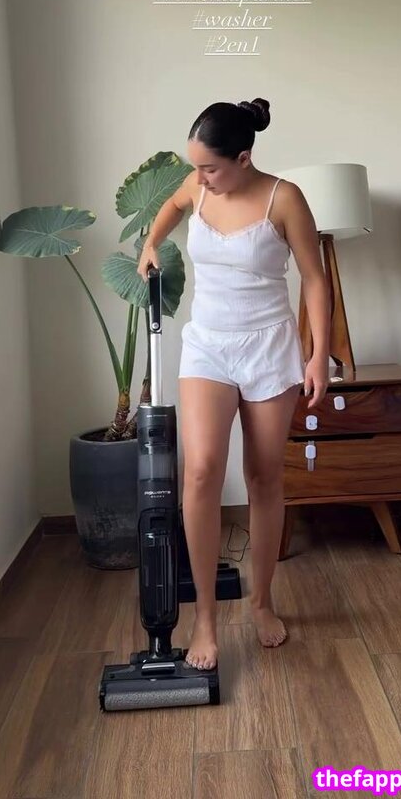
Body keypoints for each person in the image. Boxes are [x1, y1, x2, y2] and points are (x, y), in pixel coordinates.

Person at [137, 97, 330, 670]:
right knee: (200, 472)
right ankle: (204, 619)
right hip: (208, 346)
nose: (199, 178)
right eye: (195, 167)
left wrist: (319, 355)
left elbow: (314, 279)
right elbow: (173, 204)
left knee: (264, 476)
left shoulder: (284, 198)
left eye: (211, 168)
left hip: (269, 348)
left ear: (243, 158)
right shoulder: (197, 187)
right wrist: (151, 242)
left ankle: (262, 601)